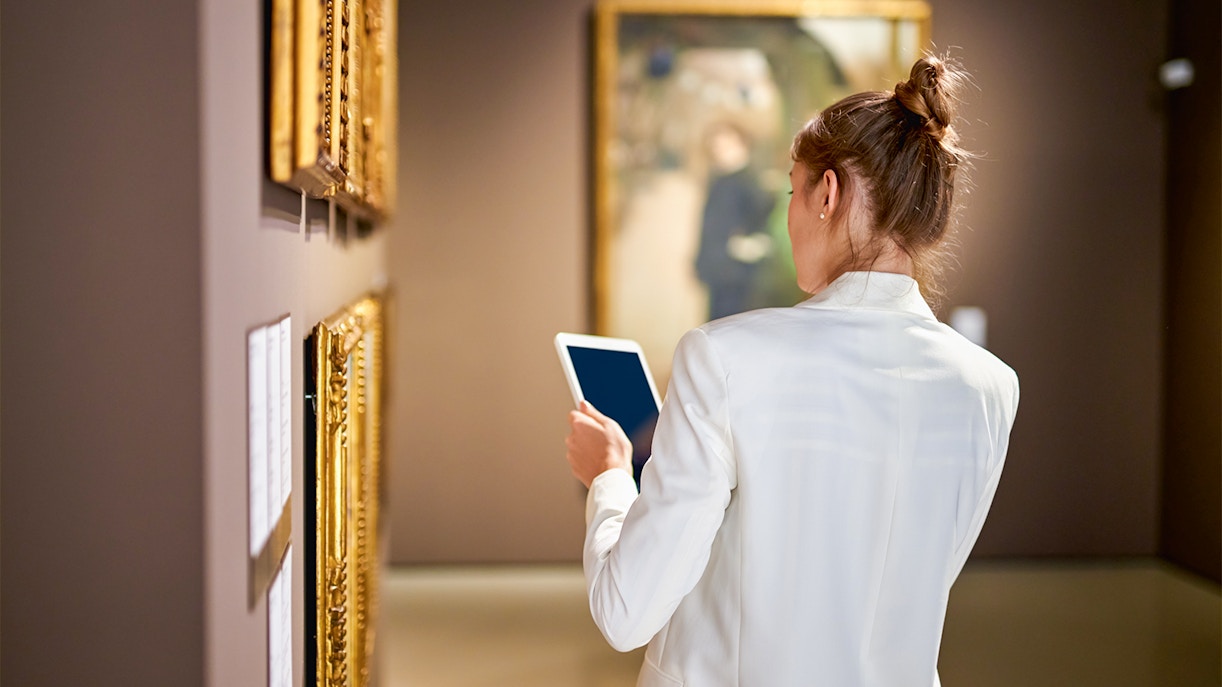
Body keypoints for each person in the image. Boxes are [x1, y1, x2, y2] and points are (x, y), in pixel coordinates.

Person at [564, 55, 1019, 687]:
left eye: (791, 190)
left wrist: (612, 479)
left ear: (826, 194)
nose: (789, 211)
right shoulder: (992, 386)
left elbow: (625, 610)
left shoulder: (722, 358)